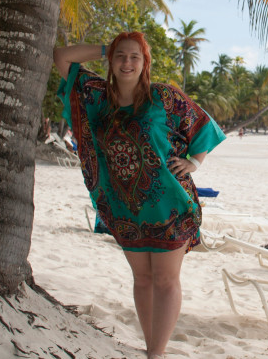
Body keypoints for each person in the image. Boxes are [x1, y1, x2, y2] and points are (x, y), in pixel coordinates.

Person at [53, 32, 226, 359]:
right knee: (143, 279)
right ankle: (151, 348)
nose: (127, 62)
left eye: (135, 56)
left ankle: (156, 354)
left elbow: (203, 126)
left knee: (165, 280)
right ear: (111, 60)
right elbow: (61, 56)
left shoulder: (162, 96)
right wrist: (107, 48)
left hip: (170, 205)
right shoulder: (96, 96)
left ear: (145, 62)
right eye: (120, 56)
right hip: (126, 210)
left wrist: (194, 163)